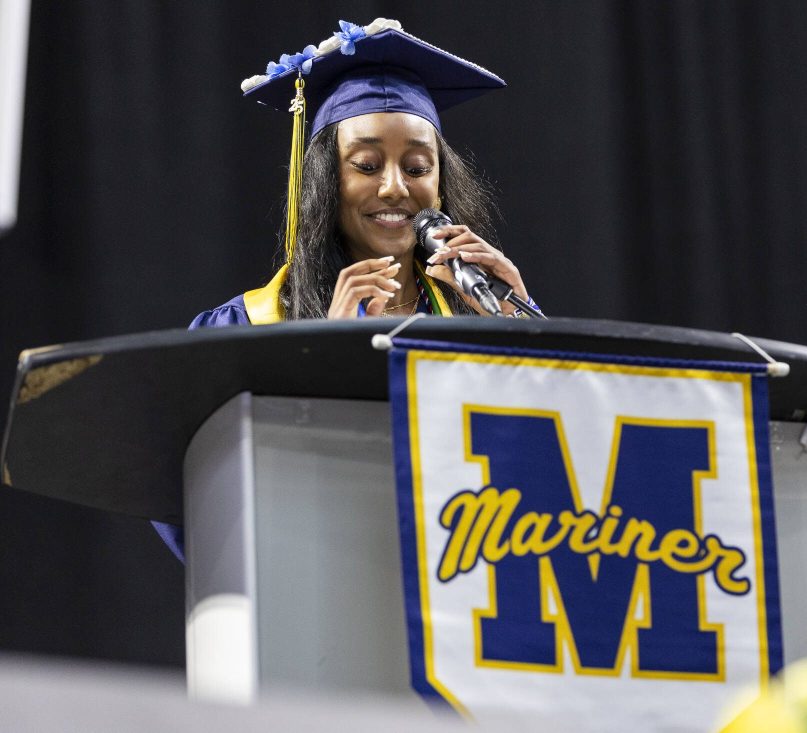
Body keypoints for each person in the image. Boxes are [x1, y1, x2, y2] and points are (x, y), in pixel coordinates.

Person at [153, 17, 539, 561]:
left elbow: (557, 474)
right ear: (326, 183)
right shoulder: (246, 330)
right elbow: (198, 505)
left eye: (417, 166)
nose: (395, 187)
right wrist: (325, 359)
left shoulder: (481, 312)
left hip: (466, 604)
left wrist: (516, 324)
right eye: (366, 165)